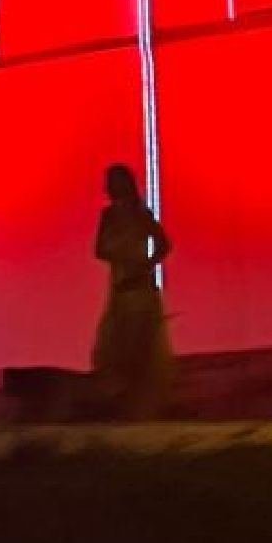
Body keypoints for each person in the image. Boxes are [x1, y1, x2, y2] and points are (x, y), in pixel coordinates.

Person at [92, 162, 173, 420]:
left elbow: (163, 243)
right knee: (117, 344)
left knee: (140, 343)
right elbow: (99, 249)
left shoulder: (141, 213)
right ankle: (124, 401)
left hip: (139, 287)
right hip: (120, 287)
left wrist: (145, 264)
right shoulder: (109, 216)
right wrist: (119, 251)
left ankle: (143, 401)